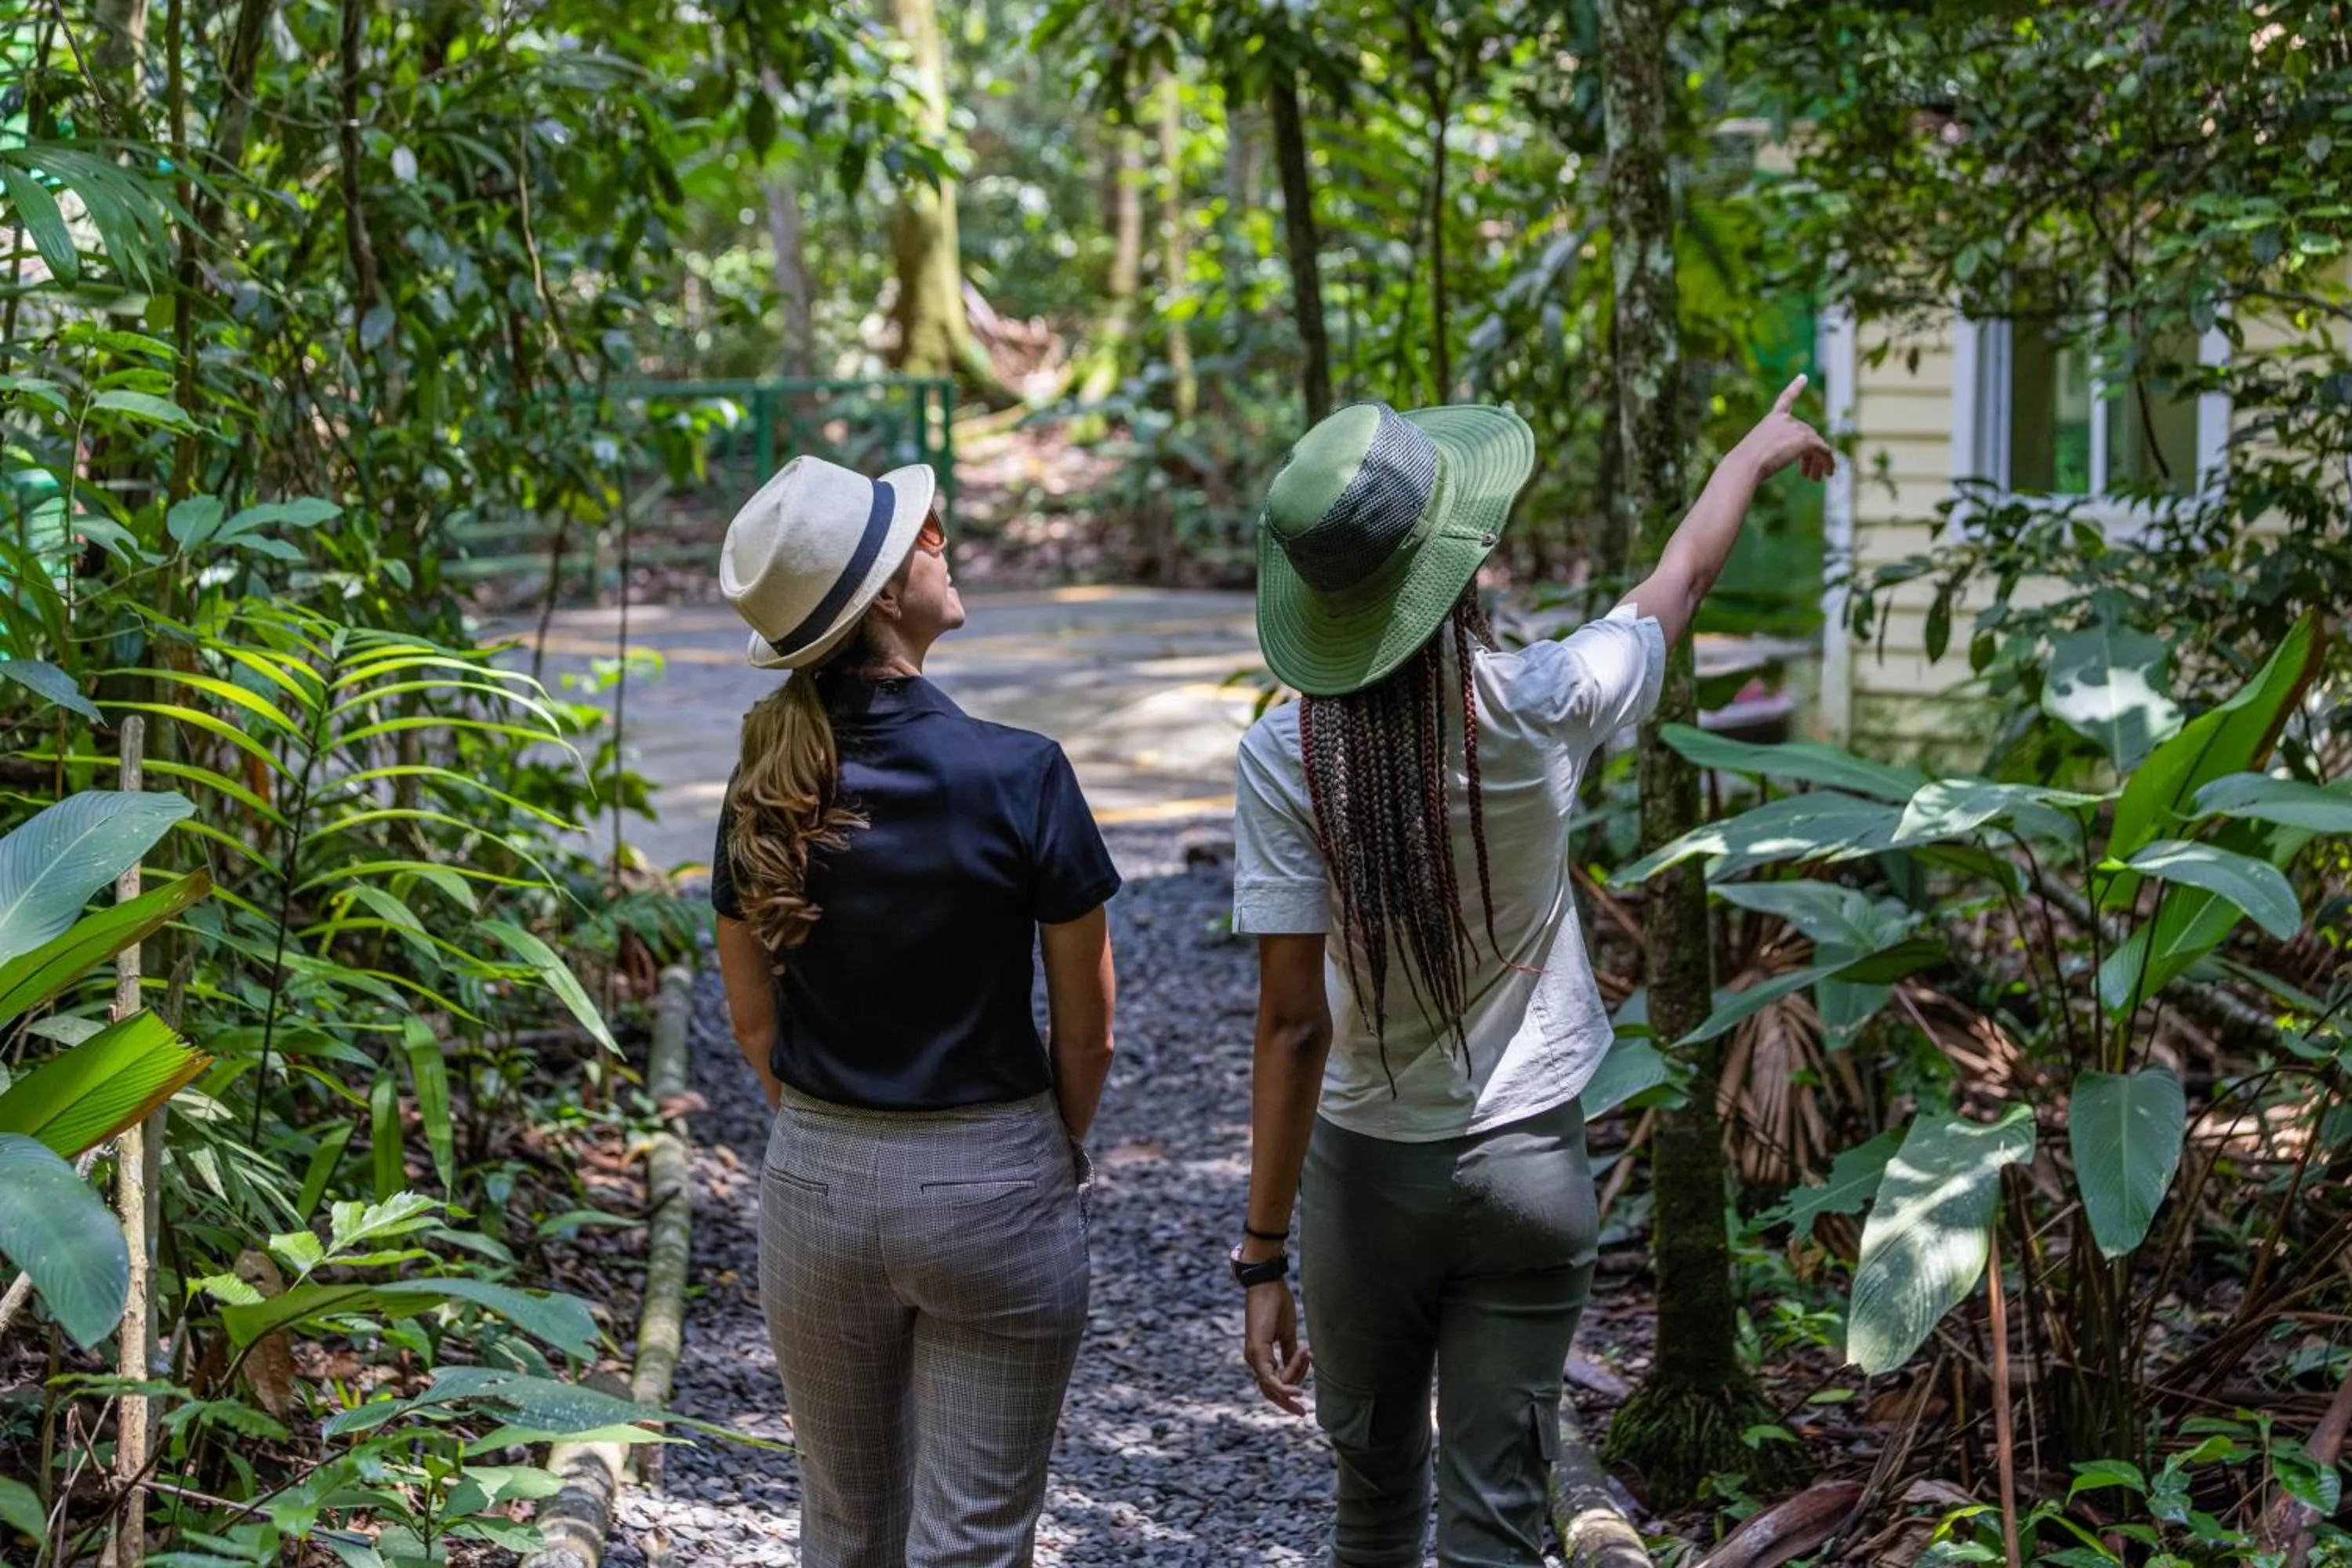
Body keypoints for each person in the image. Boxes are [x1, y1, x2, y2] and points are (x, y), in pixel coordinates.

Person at [1229, 380, 1833, 1564]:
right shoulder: (1541, 702)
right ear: (1459, 570)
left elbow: (1293, 1031)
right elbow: (1677, 586)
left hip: (1364, 1183)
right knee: (1499, 1518)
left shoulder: (1283, 758)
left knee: (1373, 1503)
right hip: (1530, 1169)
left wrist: (1260, 1258)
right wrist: (1751, 451)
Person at [710, 454, 1120, 1568]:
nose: (944, 540)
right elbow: (1088, 1029)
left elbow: (756, 1026)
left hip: (818, 1189)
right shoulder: (1023, 774)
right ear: (887, 595)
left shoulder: (764, 791)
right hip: (996, 1183)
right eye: (925, 536)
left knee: (844, 1528)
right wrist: (1049, 1148)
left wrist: (829, 1136)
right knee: (974, 1544)